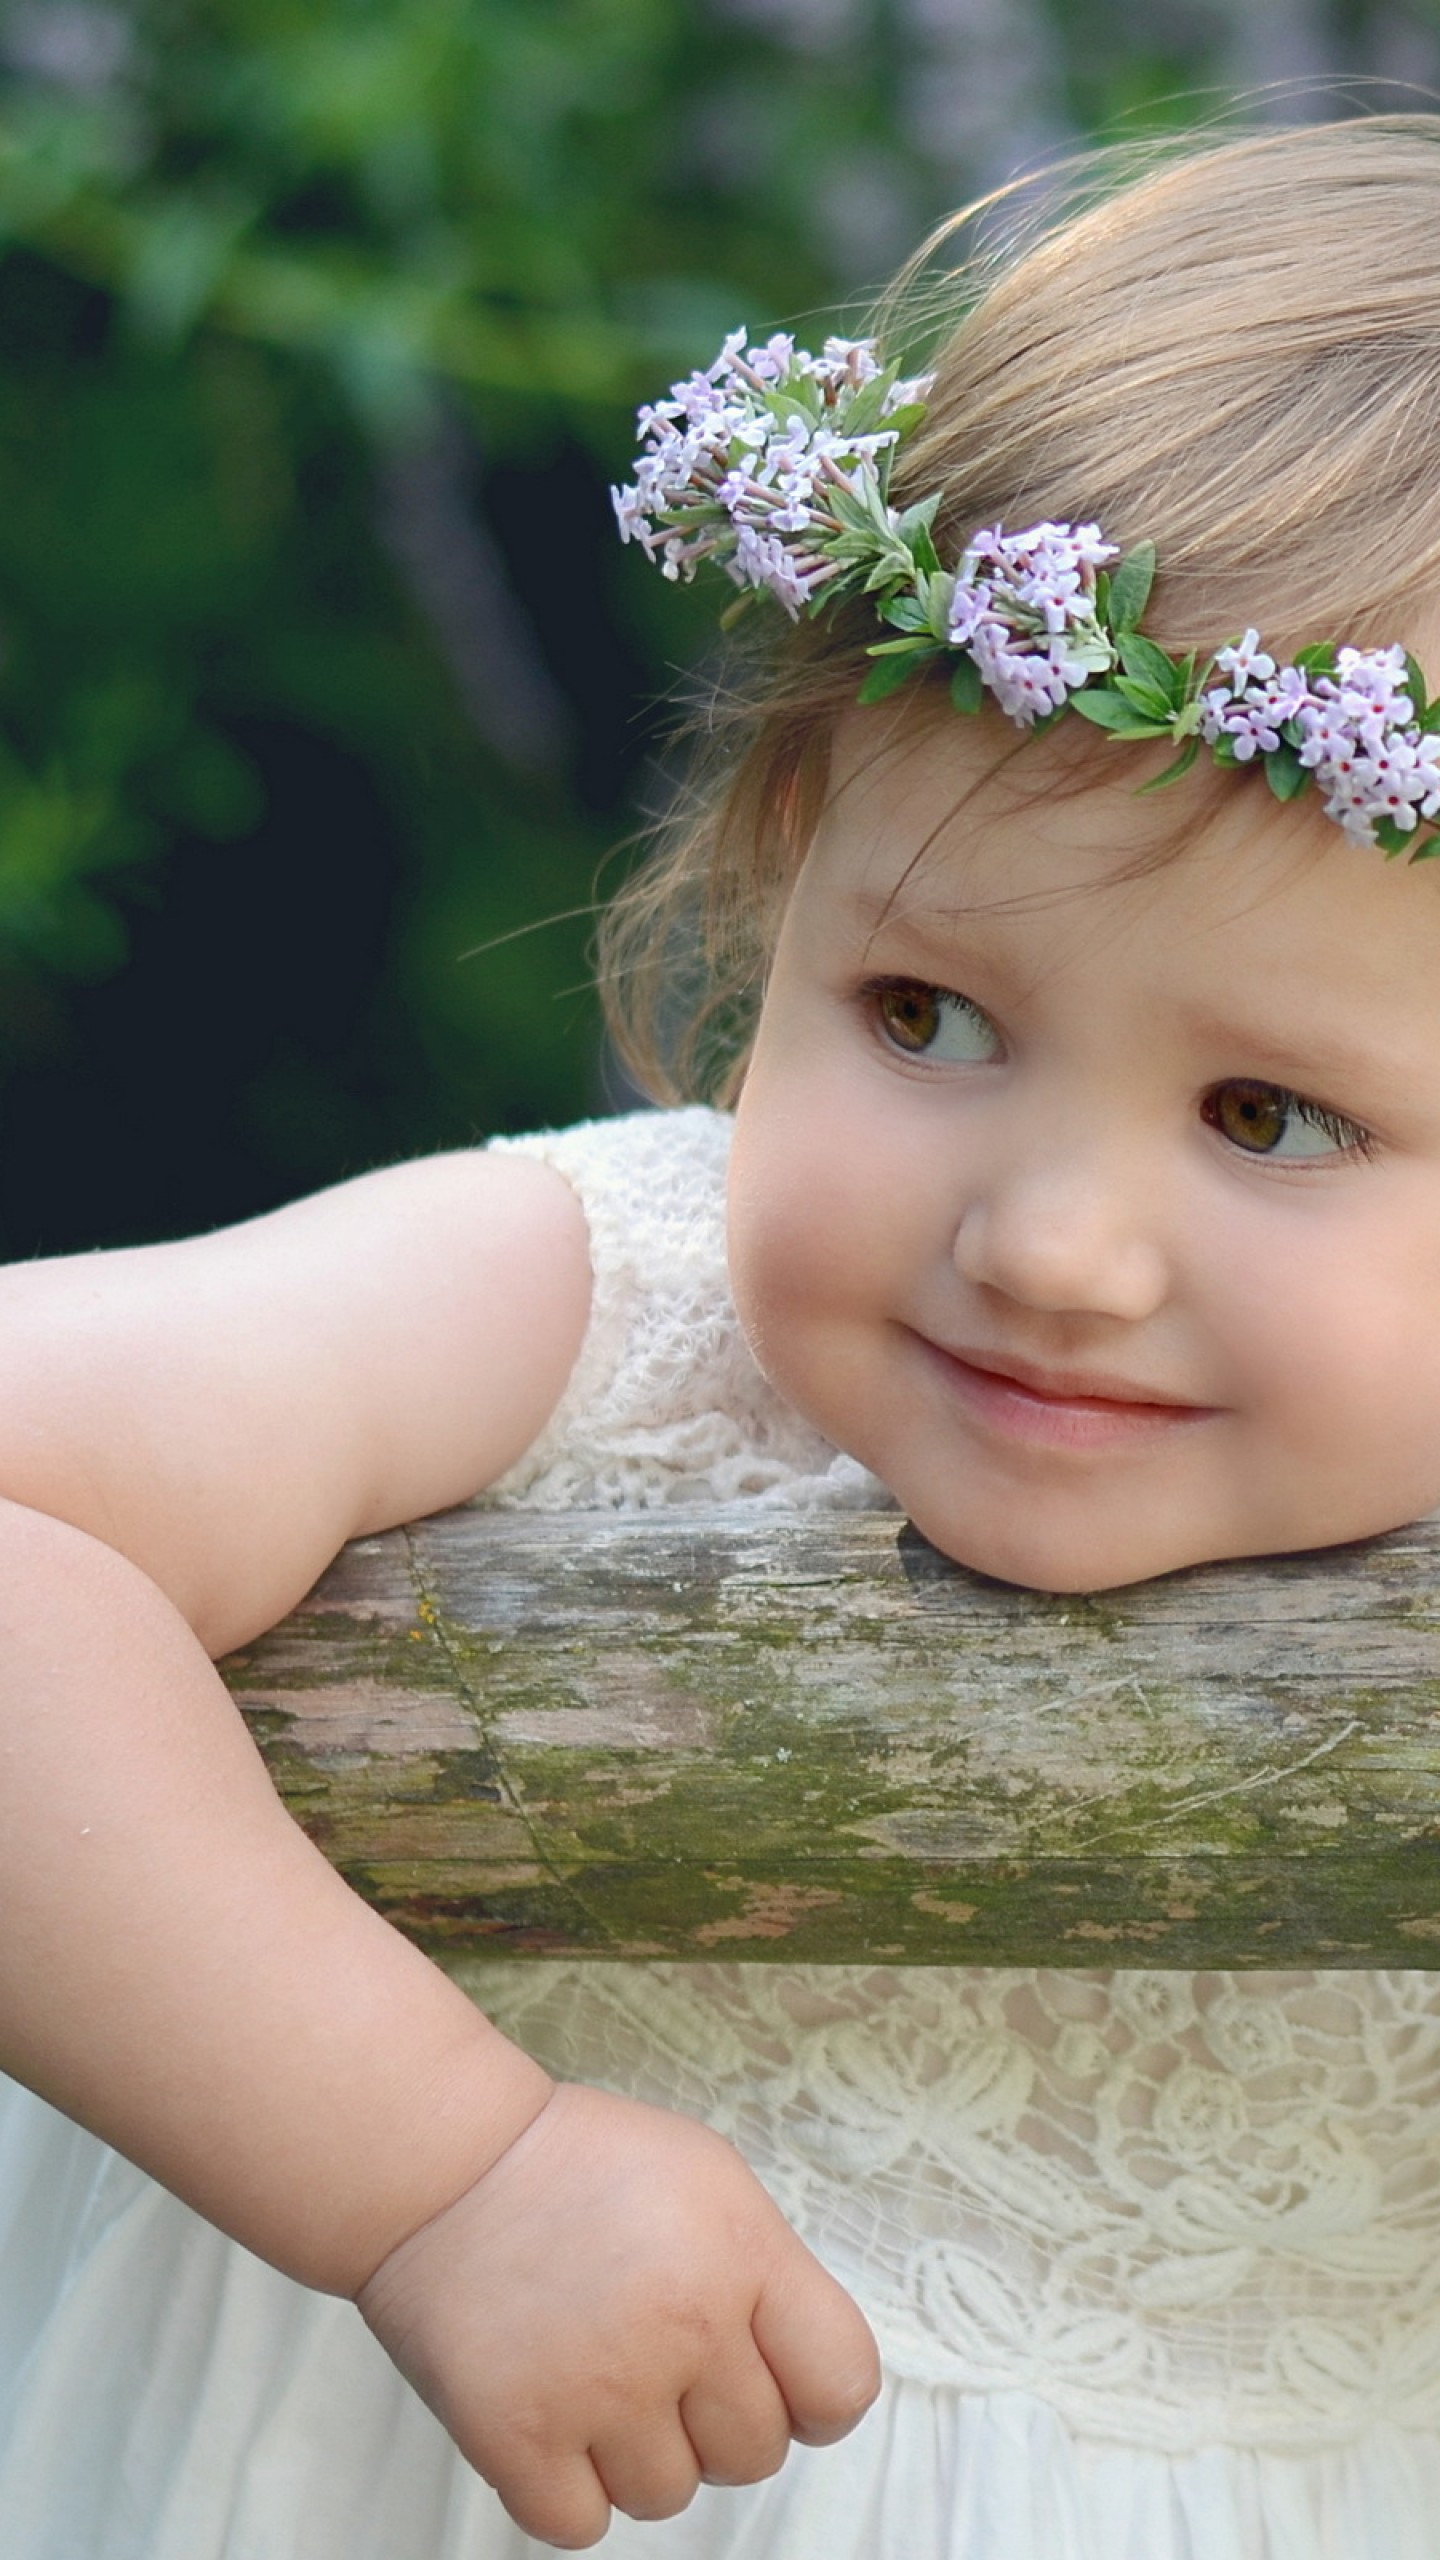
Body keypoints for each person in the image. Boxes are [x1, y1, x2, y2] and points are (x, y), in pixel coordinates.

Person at [5, 109, 1440, 2560]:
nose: (1060, 1245)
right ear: (777, 883)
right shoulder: (617, 1298)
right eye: (928, 1011)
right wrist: (441, 2169)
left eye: (1271, 1111)